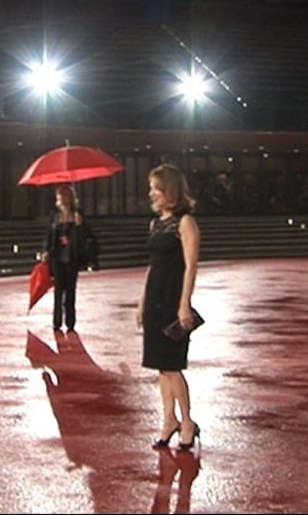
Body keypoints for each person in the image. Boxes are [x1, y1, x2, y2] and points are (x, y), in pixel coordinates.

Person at [136, 163, 202, 451]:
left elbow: (191, 266)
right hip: (154, 298)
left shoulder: (185, 222)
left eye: (156, 188)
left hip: (174, 299)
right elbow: (152, 267)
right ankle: (169, 420)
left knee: (172, 366)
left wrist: (184, 304)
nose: (151, 193)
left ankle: (187, 422)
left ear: (170, 190)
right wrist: (142, 303)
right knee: (160, 366)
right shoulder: (155, 224)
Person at [40, 184, 94, 332]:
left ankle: (70, 321)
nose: (62, 198)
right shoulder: (54, 215)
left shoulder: (78, 214)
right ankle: (56, 320)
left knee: (70, 289)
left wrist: (80, 225)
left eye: (65, 195)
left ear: (71, 197)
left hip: (71, 255)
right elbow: (49, 235)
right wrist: (45, 250)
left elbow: (87, 235)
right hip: (57, 255)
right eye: (60, 195)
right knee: (58, 289)